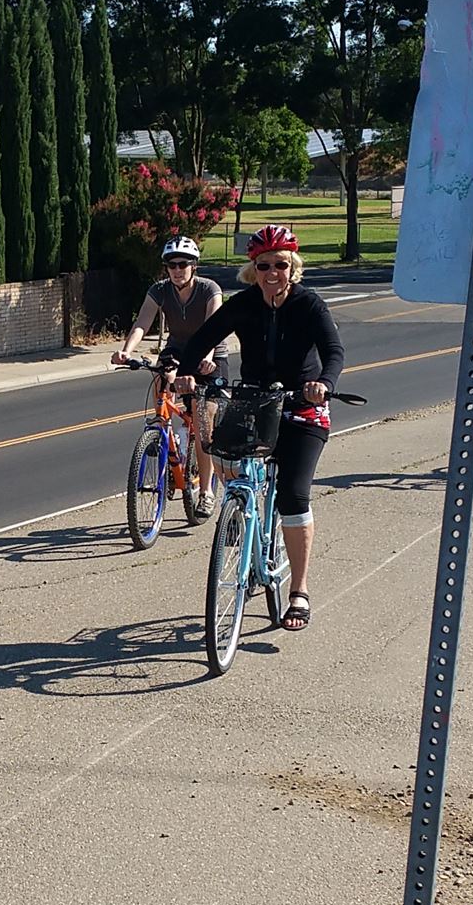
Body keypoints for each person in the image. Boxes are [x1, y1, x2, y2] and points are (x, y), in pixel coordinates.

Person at [162, 224, 346, 633]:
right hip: (254, 401)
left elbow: (333, 351)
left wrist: (324, 386)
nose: (272, 272)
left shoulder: (309, 305)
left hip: (302, 406)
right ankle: (242, 528)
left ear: (292, 266)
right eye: (264, 265)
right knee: (229, 465)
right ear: (253, 269)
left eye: (281, 264)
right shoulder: (243, 303)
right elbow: (202, 338)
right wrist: (187, 372)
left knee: (293, 496)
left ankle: (298, 589)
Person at [113, 235, 225, 515]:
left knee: (202, 421)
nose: (177, 269)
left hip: (210, 355)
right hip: (177, 349)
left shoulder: (210, 289)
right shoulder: (160, 290)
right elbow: (142, 322)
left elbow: (213, 328)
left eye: (183, 264)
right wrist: (126, 351)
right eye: (171, 264)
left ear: (194, 266)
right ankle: (163, 433)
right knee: (161, 377)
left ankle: (207, 492)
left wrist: (205, 361)